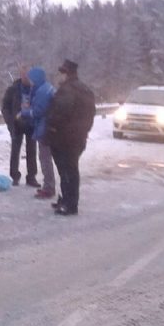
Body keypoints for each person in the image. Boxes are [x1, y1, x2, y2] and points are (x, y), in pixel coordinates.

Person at [45, 59, 96, 216]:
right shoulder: (85, 90)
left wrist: (50, 123)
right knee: (70, 170)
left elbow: (59, 113)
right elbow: (91, 114)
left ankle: (70, 204)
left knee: (67, 171)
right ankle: (66, 199)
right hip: (79, 137)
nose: (59, 76)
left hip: (64, 137)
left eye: (62, 72)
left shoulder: (68, 90)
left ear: (67, 73)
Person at [1, 65, 39, 187]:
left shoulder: (36, 89)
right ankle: (15, 175)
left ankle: (31, 176)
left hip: (31, 123)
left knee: (32, 150)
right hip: (16, 124)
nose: (26, 77)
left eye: (28, 75)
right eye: (24, 75)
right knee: (15, 151)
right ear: (21, 75)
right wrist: (9, 120)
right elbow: (5, 106)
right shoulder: (13, 89)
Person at [27, 67, 56, 199]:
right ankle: (49, 185)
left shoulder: (42, 92)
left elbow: (38, 111)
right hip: (49, 128)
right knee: (46, 158)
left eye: (31, 79)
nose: (30, 82)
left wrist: (25, 112)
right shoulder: (47, 88)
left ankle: (48, 187)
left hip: (44, 129)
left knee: (45, 159)